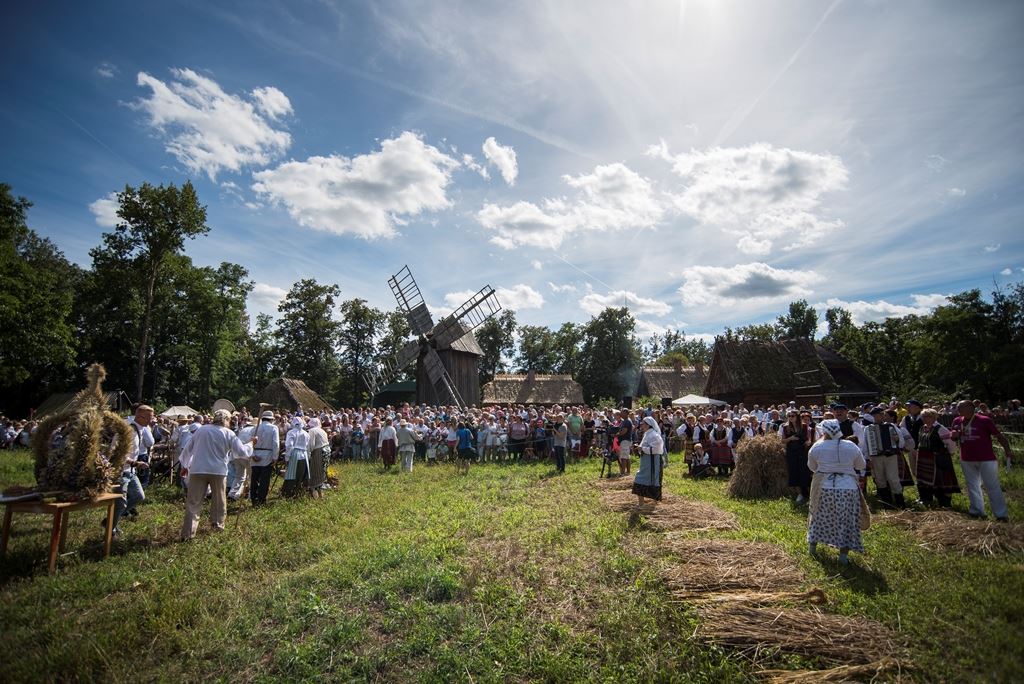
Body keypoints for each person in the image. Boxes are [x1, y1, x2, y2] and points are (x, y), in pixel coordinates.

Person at [179, 409, 251, 541]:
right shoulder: (228, 433)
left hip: (198, 469)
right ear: (227, 420)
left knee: (193, 502)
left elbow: (188, 448)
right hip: (218, 471)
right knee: (219, 500)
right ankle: (217, 526)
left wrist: (184, 465)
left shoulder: (201, 430)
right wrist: (251, 443)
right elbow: (242, 452)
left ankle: (188, 533)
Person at [807, 419, 867, 565]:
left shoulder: (817, 446)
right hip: (848, 488)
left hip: (824, 487)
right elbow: (861, 465)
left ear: (824, 432)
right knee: (846, 520)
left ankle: (812, 547)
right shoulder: (851, 446)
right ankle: (843, 556)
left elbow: (812, 467)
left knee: (819, 515)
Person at [951, 400, 1013, 521]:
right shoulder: (957, 421)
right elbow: (954, 437)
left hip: (986, 458)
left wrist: (1007, 450)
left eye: (961, 407)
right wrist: (953, 436)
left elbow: (999, 436)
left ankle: (1001, 514)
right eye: (958, 407)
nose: (958, 409)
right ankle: (977, 511)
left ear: (971, 408)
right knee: (972, 485)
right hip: (967, 458)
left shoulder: (984, 420)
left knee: (992, 486)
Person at [914, 408, 960, 507]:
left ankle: (944, 503)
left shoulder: (940, 429)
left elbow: (950, 443)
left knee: (940, 480)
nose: (925, 418)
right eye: (923, 416)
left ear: (934, 417)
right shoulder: (922, 428)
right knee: (923, 479)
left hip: (938, 459)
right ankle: (926, 499)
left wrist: (950, 453)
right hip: (923, 459)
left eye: (928, 416)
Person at [862, 407, 906, 508]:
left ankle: (900, 503)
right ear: (873, 416)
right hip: (876, 457)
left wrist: (896, 441)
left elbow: (901, 441)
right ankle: (886, 502)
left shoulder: (891, 426)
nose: (881, 416)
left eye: (882, 414)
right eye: (878, 415)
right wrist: (867, 458)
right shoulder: (868, 429)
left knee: (893, 478)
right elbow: (866, 444)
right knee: (879, 479)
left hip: (890, 455)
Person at [781, 409, 813, 504]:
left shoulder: (804, 426)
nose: (790, 418)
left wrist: (808, 442)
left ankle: (809, 495)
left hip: (802, 451)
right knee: (794, 471)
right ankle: (800, 494)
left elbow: (809, 438)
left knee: (804, 472)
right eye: (789, 416)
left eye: (792, 416)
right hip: (792, 452)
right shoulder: (785, 427)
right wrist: (791, 438)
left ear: (797, 417)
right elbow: (782, 440)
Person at [249, 411, 280, 506]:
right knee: (264, 479)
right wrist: (275, 457)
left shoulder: (255, 428)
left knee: (254, 478)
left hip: (256, 453)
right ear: (271, 419)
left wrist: (253, 455)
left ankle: (253, 498)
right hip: (267, 455)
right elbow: (275, 443)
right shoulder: (273, 428)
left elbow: (249, 442)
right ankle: (261, 499)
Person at [633, 416, 664, 503]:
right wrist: (639, 448)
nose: (641, 425)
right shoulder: (647, 434)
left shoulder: (654, 435)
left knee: (651, 481)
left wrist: (642, 449)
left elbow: (657, 449)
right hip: (646, 462)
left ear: (648, 425)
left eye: (643, 423)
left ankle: (653, 502)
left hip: (653, 462)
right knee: (641, 480)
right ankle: (641, 503)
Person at [281, 418, 311, 497]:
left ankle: (289, 492)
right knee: (300, 474)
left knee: (291, 474)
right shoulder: (306, 433)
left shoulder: (291, 432)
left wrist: (287, 458)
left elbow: (289, 446)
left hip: (295, 453)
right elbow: (307, 446)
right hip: (304, 454)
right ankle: (298, 491)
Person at [307, 417, 329, 496]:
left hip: (319, 451)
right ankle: (320, 488)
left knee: (316, 470)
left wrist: (308, 453)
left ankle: (315, 490)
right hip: (326, 451)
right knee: (323, 470)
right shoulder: (322, 430)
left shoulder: (312, 431)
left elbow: (311, 445)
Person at [616, 410, 634, 476]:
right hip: (626, 440)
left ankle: (623, 473)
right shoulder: (626, 421)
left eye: (622, 412)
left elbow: (624, 431)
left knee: (623, 457)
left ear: (626, 413)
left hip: (625, 440)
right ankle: (628, 472)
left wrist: (617, 434)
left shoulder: (627, 421)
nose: (621, 414)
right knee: (627, 457)